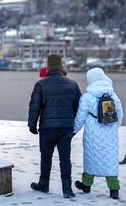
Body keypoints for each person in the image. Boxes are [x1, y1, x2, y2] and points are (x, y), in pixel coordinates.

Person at [28, 54, 82, 198]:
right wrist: (74, 127)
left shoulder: (41, 84)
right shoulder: (73, 84)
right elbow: (79, 108)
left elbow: (35, 107)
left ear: (48, 66)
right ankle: (67, 190)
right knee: (65, 159)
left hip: (47, 128)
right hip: (66, 129)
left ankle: (43, 184)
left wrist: (32, 125)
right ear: (61, 65)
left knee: (46, 157)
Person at [73, 68, 123, 199]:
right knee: (109, 160)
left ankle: (86, 184)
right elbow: (120, 114)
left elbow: (80, 117)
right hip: (110, 133)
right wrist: (114, 128)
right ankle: (114, 189)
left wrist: (73, 131)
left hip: (92, 134)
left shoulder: (87, 97)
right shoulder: (113, 95)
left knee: (91, 158)